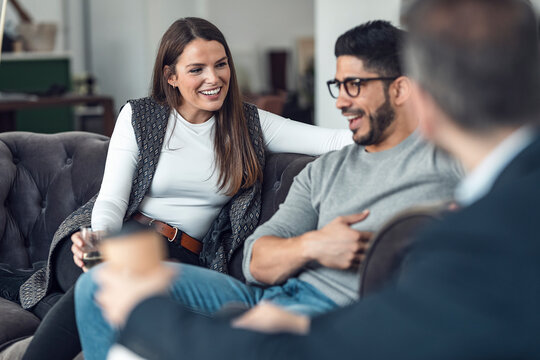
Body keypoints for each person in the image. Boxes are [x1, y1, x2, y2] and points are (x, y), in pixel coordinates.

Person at [92, 0, 540, 359]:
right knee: (100, 286)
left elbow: (384, 327)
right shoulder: (325, 174)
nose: (342, 101)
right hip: (261, 294)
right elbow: (255, 258)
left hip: (306, 313)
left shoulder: (474, 208)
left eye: (355, 86)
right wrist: (313, 246)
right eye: (337, 86)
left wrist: (146, 313)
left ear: (411, 93)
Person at [18, 17, 354, 360]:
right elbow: (112, 200)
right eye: (197, 69)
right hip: (112, 235)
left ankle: (44, 314)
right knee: (104, 280)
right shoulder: (140, 117)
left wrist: (398, 126)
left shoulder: (249, 123)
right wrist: (100, 240)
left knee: (108, 292)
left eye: (221, 64)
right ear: (171, 77)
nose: (214, 78)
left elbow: (332, 139)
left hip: (180, 253)